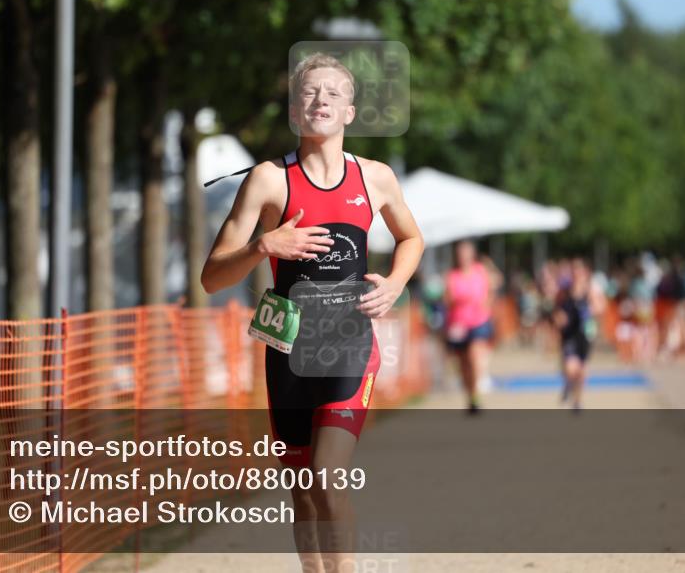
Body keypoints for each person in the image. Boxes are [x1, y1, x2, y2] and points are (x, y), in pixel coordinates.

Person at [201, 52, 423, 573]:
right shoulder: (268, 181)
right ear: (295, 111)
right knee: (302, 490)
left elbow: (411, 238)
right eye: (308, 92)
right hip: (289, 355)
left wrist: (394, 283)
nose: (319, 100)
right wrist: (264, 246)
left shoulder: (375, 178)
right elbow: (212, 277)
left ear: (349, 111)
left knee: (326, 476)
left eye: (332, 93)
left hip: (350, 347)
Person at [443, 240, 494, 414]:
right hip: (458, 324)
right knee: (463, 363)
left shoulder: (480, 270)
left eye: (466, 252)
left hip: (479, 321)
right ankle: (470, 396)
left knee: (474, 357)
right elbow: (448, 300)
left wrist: (487, 305)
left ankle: (477, 393)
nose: (463, 256)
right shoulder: (452, 275)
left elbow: (490, 289)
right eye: (460, 253)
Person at [554, 259, 595, 412]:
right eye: (574, 271)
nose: (577, 274)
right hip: (569, 335)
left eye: (579, 270)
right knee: (570, 368)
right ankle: (567, 384)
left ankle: (577, 402)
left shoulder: (589, 291)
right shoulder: (564, 292)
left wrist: (593, 310)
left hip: (585, 335)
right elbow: (557, 310)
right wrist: (559, 318)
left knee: (582, 371)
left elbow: (600, 306)